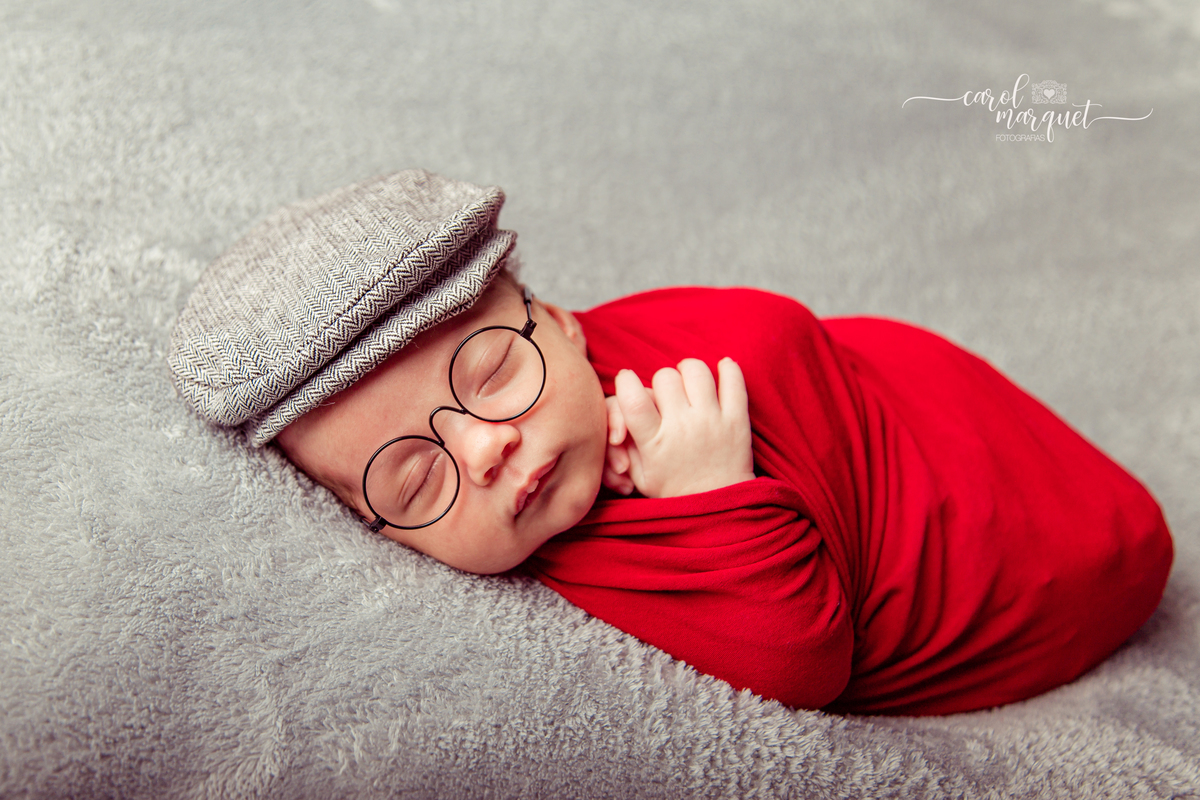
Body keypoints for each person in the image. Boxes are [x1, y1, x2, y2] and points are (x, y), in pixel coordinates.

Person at [169, 170, 1173, 716]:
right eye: (414, 475)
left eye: (490, 373)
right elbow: (795, 655)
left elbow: (771, 346)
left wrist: (712, 453)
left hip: (1001, 504)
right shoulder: (583, 550)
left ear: (561, 322)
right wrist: (714, 497)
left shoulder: (632, 354)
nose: (483, 451)